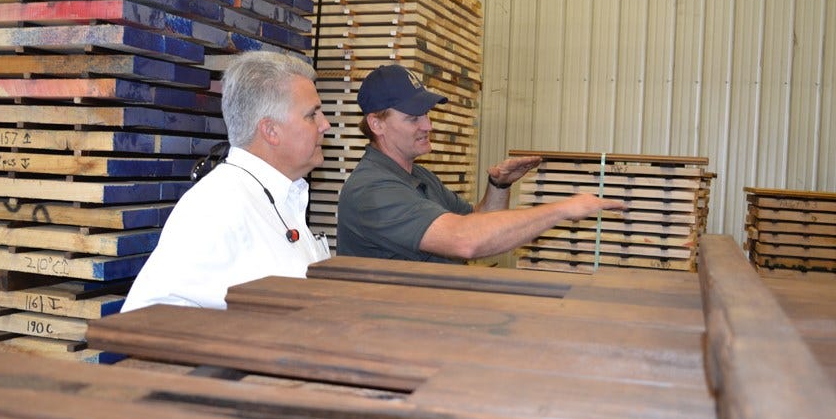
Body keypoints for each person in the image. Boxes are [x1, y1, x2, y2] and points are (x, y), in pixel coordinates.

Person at [336, 64, 626, 263]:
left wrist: (500, 185)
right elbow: (466, 240)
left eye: (426, 114)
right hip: (388, 335)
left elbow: (474, 221)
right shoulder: (372, 190)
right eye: (413, 118)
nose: (428, 125)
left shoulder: (417, 175)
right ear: (377, 124)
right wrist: (561, 210)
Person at [122, 50, 332, 312]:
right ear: (271, 130)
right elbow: (145, 320)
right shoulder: (216, 206)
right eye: (312, 114)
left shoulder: (284, 196)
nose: (326, 125)